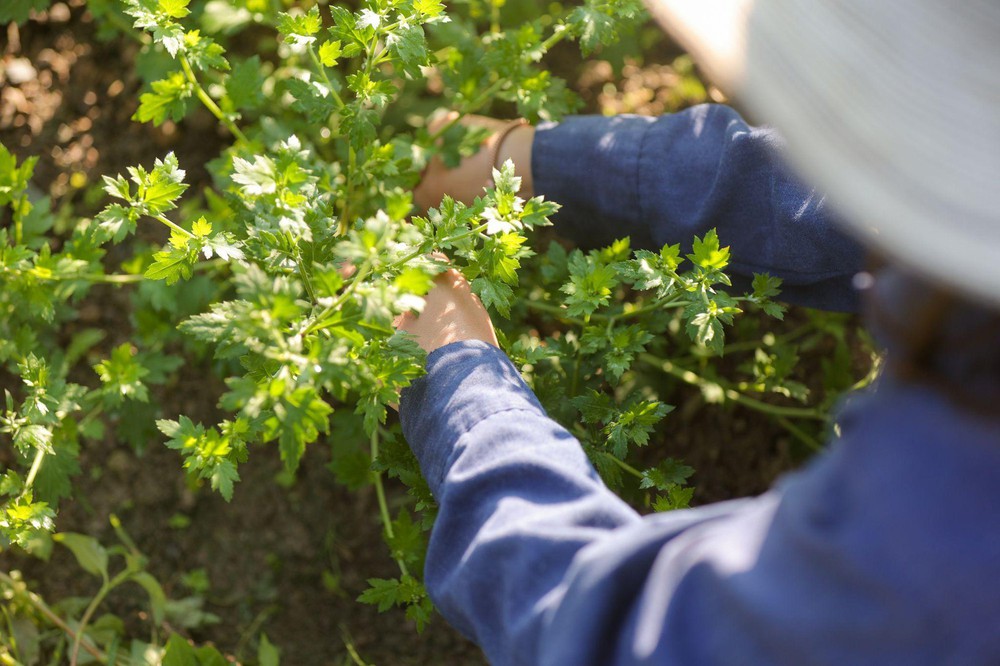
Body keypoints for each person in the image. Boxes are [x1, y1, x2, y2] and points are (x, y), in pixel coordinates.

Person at [394, 0, 1000, 664]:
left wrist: (456, 378)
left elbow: (617, 640)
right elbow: (862, 196)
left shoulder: (955, 529)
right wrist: (534, 161)